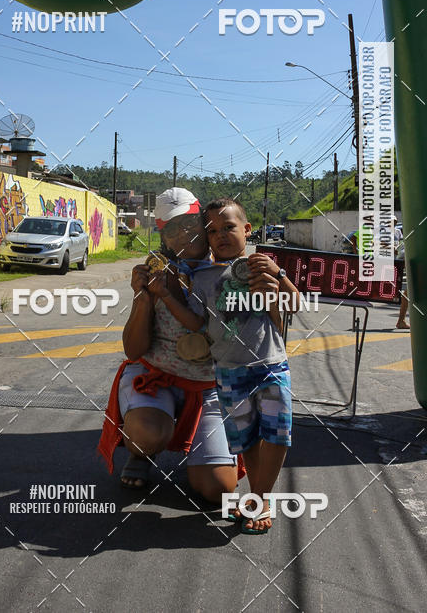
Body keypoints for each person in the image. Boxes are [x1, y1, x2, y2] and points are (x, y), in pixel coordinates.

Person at [148, 197, 300, 534]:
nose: (220, 235)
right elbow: (195, 322)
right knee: (248, 440)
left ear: (247, 229)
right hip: (229, 372)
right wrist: (166, 295)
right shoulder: (200, 278)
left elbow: (294, 304)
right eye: (212, 230)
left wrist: (280, 275)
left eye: (229, 227)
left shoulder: (261, 264)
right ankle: (256, 497)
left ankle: (262, 498)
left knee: (276, 435)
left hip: (271, 365)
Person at [98, 188, 239, 503]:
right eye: (173, 229)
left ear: (204, 222)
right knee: (149, 433)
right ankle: (142, 453)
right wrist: (142, 296)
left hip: (210, 386)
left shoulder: (232, 270)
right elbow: (133, 351)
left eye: (190, 223)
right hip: (157, 377)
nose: (184, 234)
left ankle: (202, 449)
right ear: (164, 236)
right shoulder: (155, 275)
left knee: (219, 490)